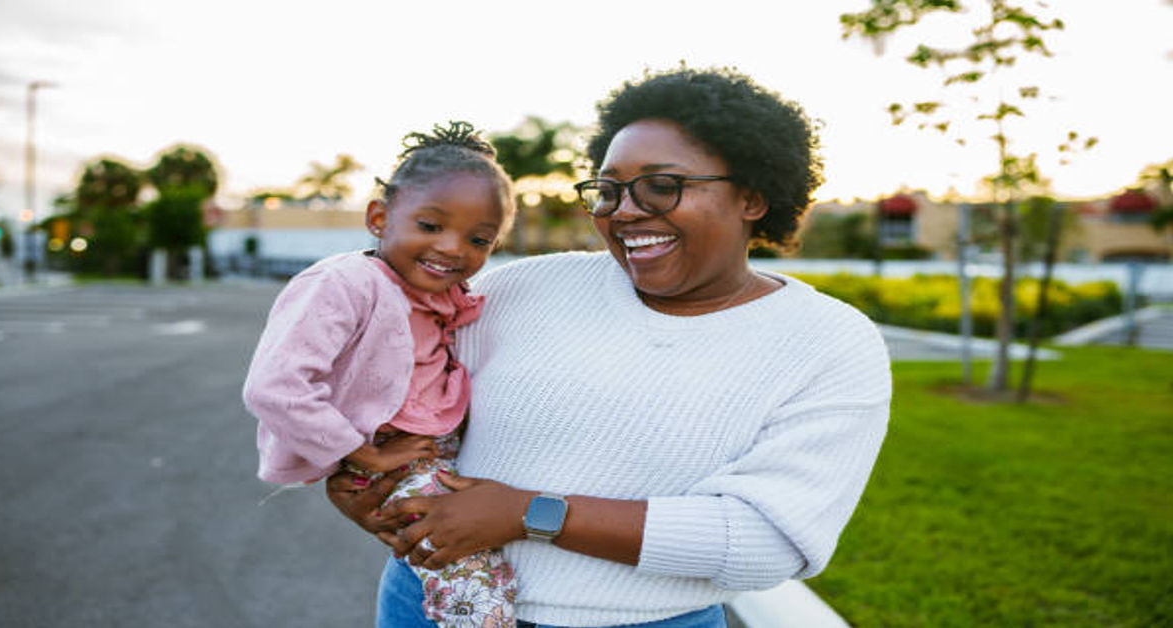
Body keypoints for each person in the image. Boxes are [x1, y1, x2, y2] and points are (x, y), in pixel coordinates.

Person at [328, 67, 892, 628]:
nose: (624, 210)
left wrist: (531, 514)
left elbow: (767, 542)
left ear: (752, 196)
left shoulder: (829, 344)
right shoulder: (514, 290)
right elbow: (387, 398)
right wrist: (360, 484)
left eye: (661, 185)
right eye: (608, 190)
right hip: (428, 605)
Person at [242, 121, 519, 627]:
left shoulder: (434, 293)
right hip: (387, 453)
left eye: (479, 239)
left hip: (431, 449)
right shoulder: (343, 283)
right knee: (473, 580)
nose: (454, 249)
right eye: (431, 226)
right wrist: (362, 452)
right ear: (378, 216)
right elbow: (274, 387)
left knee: (472, 562)